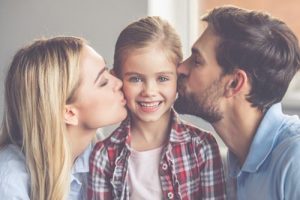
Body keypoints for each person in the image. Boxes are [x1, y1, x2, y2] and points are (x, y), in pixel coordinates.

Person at [88, 16, 226, 200]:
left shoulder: (201, 147)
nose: (149, 91)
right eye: (136, 79)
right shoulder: (103, 156)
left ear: (178, 77)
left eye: (162, 79)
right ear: (117, 78)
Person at [174, 5, 300, 200]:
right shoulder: (230, 162)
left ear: (234, 83)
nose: (181, 68)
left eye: (197, 61)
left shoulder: (295, 160)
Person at [0, 36, 127, 200]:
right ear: (69, 113)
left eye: (107, 70)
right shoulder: (9, 182)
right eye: (103, 82)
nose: (118, 82)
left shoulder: (100, 154)